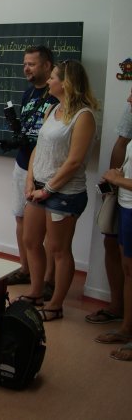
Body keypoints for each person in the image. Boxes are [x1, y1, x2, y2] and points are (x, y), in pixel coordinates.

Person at [20, 59, 98, 321]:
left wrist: (48, 189)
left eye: (53, 77)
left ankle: (55, 305)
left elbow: (74, 162)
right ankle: (36, 292)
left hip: (64, 194)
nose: (49, 81)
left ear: (66, 83)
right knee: (31, 241)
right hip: (39, 187)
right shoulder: (52, 109)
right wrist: (30, 180)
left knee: (58, 249)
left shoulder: (83, 116)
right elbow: (39, 147)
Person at [5, 46, 58, 302]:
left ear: (47, 66)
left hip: (46, 170)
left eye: (32, 64)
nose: (26, 68)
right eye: (25, 64)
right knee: (20, 218)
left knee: (48, 229)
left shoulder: (57, 95)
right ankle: (25, 269)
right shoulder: (28, 93)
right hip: (23, 164)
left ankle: (47, 280)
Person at [87, 88, 132, 325]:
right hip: (123, 195)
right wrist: (112, 184)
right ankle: (118, 308)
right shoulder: (130, 108)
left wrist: (119, 181)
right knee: (114, 246)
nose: (128, 99)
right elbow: (122, 143)